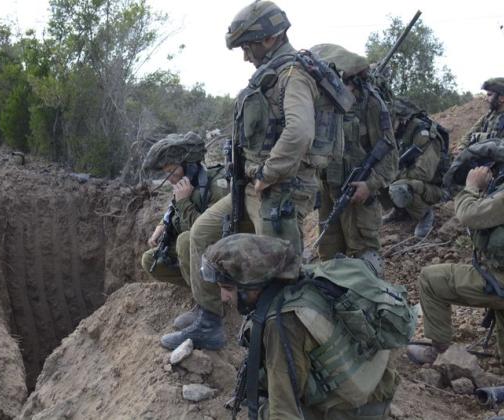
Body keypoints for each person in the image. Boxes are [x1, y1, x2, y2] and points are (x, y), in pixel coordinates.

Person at [160, 1, 339, 350]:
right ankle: (209, 319)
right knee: (202, 233)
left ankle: (279, 344)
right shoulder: (273, 74)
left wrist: (270, 172)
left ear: (270, 38)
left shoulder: (293, 75)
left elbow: (300, 132)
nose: (246, 56)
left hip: (280, 190)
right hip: (253, 188)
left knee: (277, 271)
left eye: (248, 46)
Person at [201, 233, 400, 419]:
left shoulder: (282, 322)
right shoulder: (306, 280)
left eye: (228, 288)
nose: (223, 297)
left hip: (356, 412)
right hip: (377, 391)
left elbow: (284, 411)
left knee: (267, 411)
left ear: (253, 285)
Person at [407, 139, 504, 364]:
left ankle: (440, 354)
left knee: (431, 280)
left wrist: (471, 186)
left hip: (499, 280)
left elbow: (469, 215)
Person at [310, 44, 398, 273]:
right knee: (329, 257)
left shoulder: (371, 104)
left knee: (364, 260)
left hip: (358, 196)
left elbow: (390, 155)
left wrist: (370, 185)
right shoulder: (323, 107)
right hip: (328, 192)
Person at [141, 132, 227, 328]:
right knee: (150, 261)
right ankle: (206, 287)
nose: (169, 178)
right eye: (166, 173)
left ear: (188, 166)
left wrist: (184, 203)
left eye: (172, 171)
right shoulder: (186, 185)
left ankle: (208, 306)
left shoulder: (216, 185)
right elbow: (173, 210)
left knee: (186, 240)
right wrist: (161, 227)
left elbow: (207, 232)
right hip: (196, 255)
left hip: (218, 252)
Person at [382, 98, 449, 238]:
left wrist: (396, 175)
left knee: (398, 187)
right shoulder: (401, 133)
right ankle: (400, 210)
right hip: (416, 182)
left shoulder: (423, 134)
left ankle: (425, 214)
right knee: (377, 178)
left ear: (401, 119)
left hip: (434, 189)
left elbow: (424, 173)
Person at [458, 77, 504, 151]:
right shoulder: (488, 116)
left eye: (489, 95)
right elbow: (469, 135)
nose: (486, 99)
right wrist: (461, 148)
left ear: (502, 98)